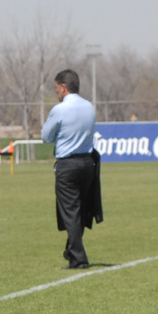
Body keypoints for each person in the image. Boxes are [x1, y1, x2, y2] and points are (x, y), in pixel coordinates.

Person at [41, 69, 102, 269]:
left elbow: (46, 136)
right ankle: (71, 250)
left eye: (57, 88)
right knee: (81, 210)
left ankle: (78, 258)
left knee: (70, 212)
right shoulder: (89, 107)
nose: (57, 92)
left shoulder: (60, 109)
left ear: (64, 87)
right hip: (88, 163)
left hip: (67, 165)